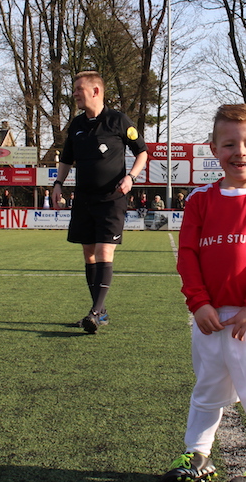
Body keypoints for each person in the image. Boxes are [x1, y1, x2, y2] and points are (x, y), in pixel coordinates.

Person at [162, 104, 246, 482]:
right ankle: (196, 456)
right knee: (208, 387)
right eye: (229, 144)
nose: (240, 152)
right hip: (210, 316)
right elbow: (188, 255)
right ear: (213, 148)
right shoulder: (199, 199)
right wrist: (199, 303)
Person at [51, 71, 149, 334]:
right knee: (89, 254)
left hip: (111, 199)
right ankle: (100, 311)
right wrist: (58, 183)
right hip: (84, 199)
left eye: (79, 89)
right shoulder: (76, 124)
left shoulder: (118, 120)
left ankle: (95, 312)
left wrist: (131, 177)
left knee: (105, 251)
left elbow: (142, 151)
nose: (74, 94)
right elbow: (66, 159)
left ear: (95, 91)